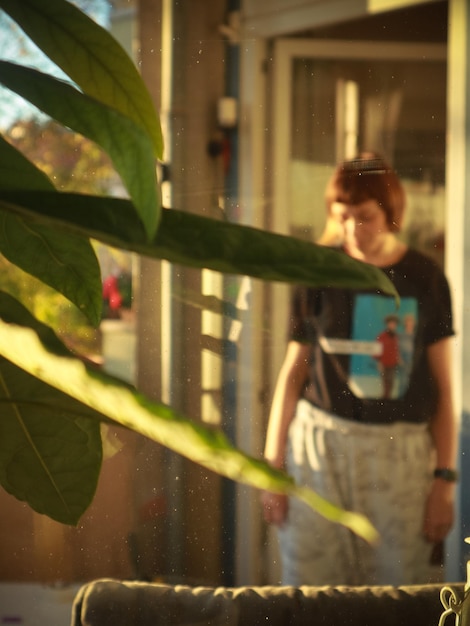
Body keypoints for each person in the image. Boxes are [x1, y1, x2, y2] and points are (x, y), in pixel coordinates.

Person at [260, 153, 457, 586]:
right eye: (342, 217)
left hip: (399, 459)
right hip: (319, 453)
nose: (353, 229)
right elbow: (293, 374)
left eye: (364, 217)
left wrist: (444, 480)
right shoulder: (317, 271)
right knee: (311, 590)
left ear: (391, 212)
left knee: (396, 592)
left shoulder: (424, 277)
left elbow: (445, 388)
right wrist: (272, 470)